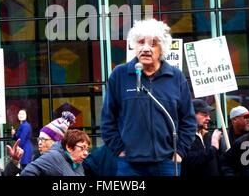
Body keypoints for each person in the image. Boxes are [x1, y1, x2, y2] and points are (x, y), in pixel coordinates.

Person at [101, 19, 197, 176]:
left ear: (162, 48)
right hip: (129, 165)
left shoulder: (176, 77)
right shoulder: (119, 75)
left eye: (153, 44)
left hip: (167, 163)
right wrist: (119, 150)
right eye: (140, 42)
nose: (146, 48)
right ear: (134, 45)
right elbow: (107, 119)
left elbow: (188, 120)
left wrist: (179, 152)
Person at [20, 129, 90, 176]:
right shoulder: (53, 156)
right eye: (82, 148)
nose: (86, 153)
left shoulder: (79, 163)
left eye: (87, 149)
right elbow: (27, 173)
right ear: (69, 147)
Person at [181, 99, 222, 177]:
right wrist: (213, 146)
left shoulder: (207, 135)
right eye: (204, 114)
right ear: (192, 115)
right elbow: (192, 161)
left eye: (209, 115)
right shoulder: (184, 136)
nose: (209, 118)